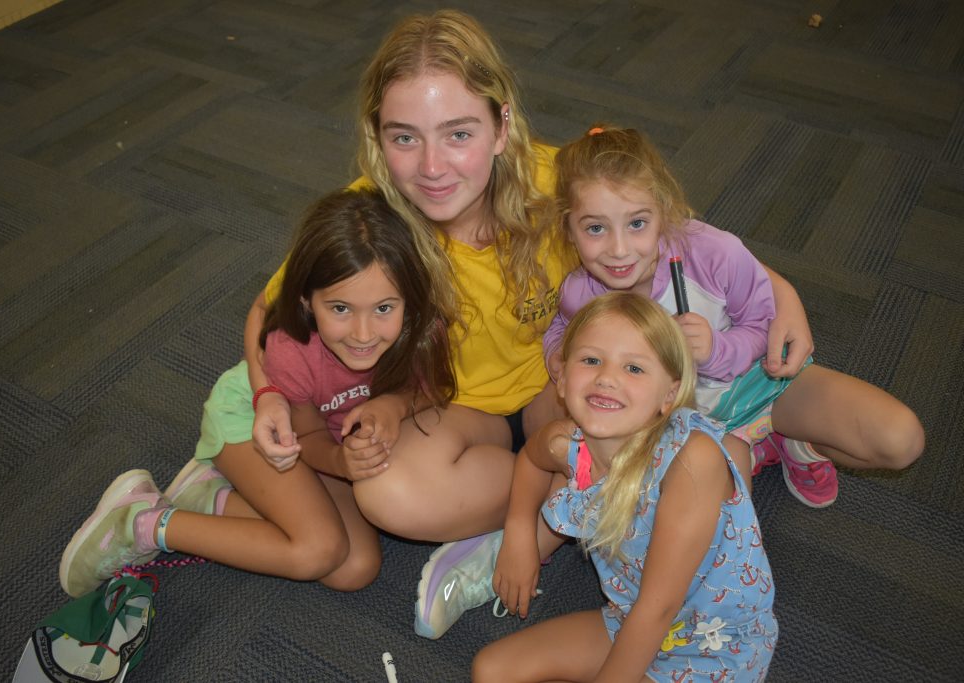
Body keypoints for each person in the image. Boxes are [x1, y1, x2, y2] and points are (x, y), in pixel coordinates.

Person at [245, 11, 815, 638]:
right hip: (454, 408)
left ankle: (519, 530)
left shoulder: (557, 181)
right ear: (377, 138)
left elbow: (672, 236)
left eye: (458, 133)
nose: (432, 167)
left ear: (502, 126)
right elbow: (268, 308)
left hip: (560, 385)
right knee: (386, 495)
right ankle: (548, 514)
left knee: (637, 445)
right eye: (404, 137)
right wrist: (267, 392)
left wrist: (782, 292)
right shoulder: (371, 216)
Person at [58, 188, 454, 598]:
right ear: (306, 301)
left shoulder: (422, 329)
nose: (364, 333)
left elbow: (437, 388)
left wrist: (393, 404)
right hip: (256, 425)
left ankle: (212, 497)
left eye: (384, 308)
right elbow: (308, 437)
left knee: (355, 568)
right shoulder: (292, 348)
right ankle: (141, 524)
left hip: (321, 436)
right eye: (340, 309)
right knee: (317, 551)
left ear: (409, 299)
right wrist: (341, 462)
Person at [542, 124, 924, 509]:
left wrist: (716, 350)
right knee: (707, 518)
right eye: (595, 228)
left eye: (637, 223)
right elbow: (561, 328)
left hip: (761, 385)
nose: (619, 249)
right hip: (682, 426)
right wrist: (558, 359)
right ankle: (754, 450)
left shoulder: (714, 253)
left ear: (664, 211)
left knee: (900, 439)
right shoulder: (581, 292)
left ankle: (797, 445)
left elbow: (763, 323)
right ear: (569, 230)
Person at [473, 291, 778, 682]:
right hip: (631, 614)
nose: (607, 377)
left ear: (669, 395)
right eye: (591, 360)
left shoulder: (690, 462)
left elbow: (659, 607)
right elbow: (531, 461)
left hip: (715, 642)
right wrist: (519, 535)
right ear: (562, 379)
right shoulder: (566, 443)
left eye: (633, 368)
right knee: (491, 671)